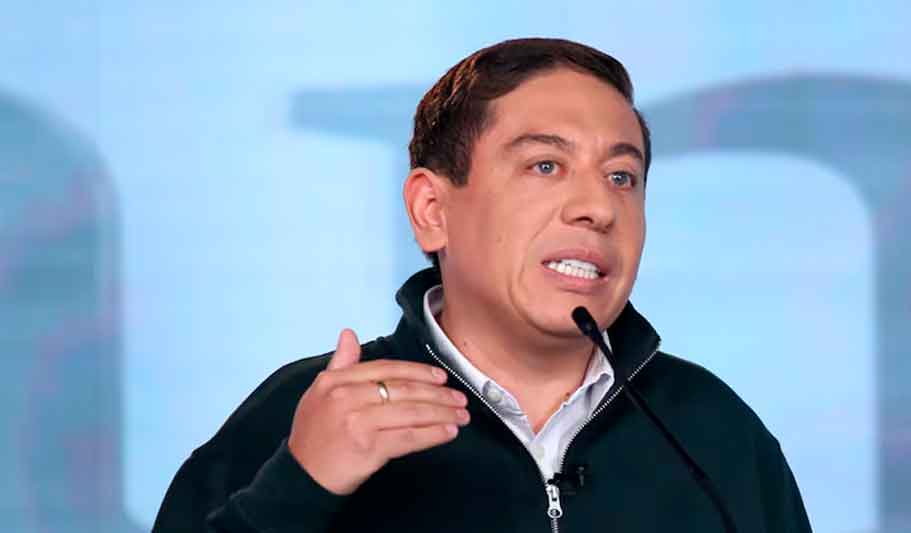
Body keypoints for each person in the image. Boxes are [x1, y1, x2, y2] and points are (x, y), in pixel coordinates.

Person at [153, 37, 812, 532]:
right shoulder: (302, 417)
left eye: (622, 177)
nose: (598, 207)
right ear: (432, 210)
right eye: (545, 165)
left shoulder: (711, 430)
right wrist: (299, 486)